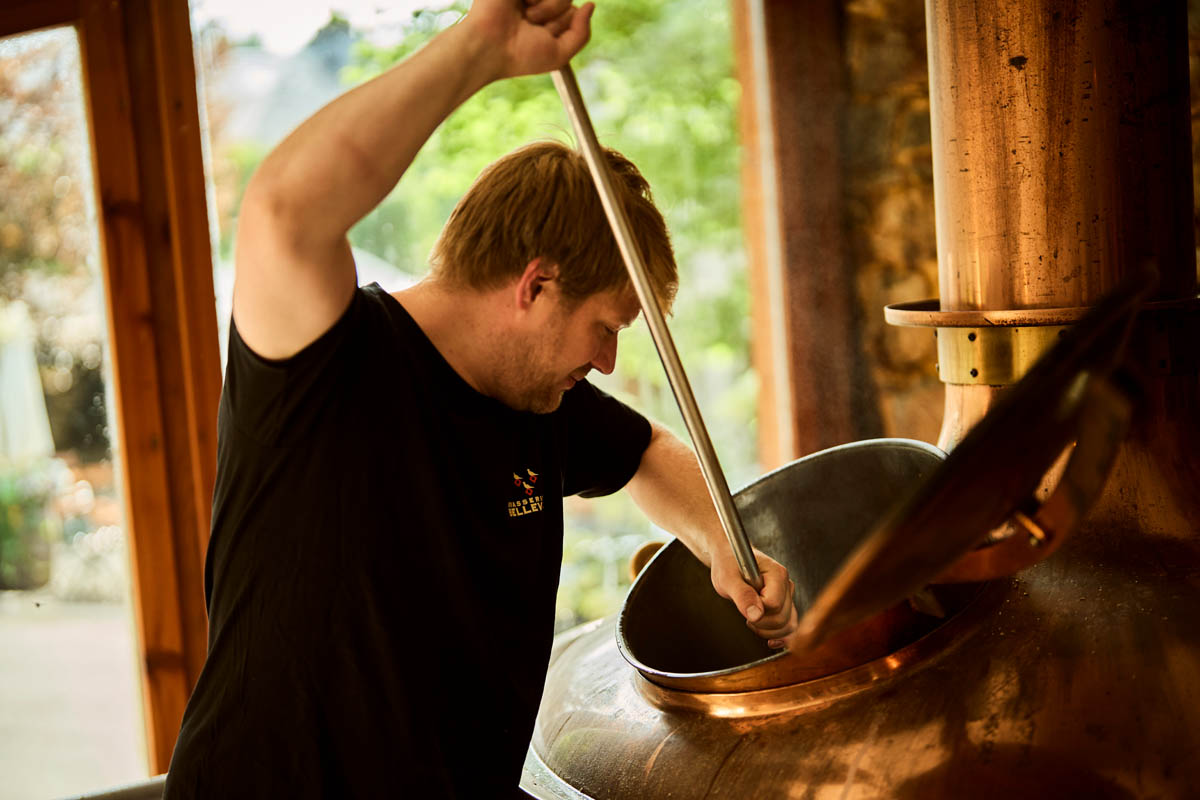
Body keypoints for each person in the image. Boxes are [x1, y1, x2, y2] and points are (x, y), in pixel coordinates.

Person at [163, 1, 798, 797]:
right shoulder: (332, 362)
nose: (605, 362)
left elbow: (648, 454)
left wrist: (726, 554)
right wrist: (482, 47)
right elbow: (284, 212)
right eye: (604, 327)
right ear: (536, 284)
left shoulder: (537, 398)